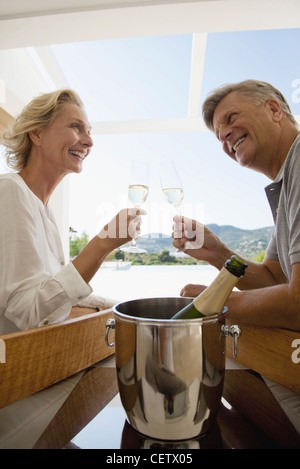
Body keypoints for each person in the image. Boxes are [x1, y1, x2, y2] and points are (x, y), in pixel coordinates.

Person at [172, 79, 300, 437]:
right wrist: (219, 253)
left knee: (209, 349)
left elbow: (298, 301)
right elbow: (276, 278)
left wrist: (208, 305)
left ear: (274, 109)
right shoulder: (287, 182)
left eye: (231, 119)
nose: (226, 136)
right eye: (219, 135)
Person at [0, 89, 144, 335]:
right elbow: (30, 314)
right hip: (15, 369)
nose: (89, 141)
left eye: (88, 131)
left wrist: (123, 309)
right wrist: (102, 244)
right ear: (36, 133)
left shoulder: (45, 211)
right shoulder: (9, 192)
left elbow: (54, 296)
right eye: (76, 127)